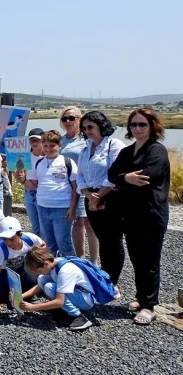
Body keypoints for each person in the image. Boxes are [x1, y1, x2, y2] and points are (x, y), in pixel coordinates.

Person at [108, 107, 170, 325]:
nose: (137, 129)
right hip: (130, 214)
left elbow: (147, 177)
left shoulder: (157, 151)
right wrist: (126, 178)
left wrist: (123, 179)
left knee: (149, 261)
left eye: (142, 124)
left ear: (152, 126)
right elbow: (112, 174)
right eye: (133, 125)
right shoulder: (128, 151)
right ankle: (141, 297)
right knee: (136, 258)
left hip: (152, 214)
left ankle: (149, 306)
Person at [77, 111, 125, 288]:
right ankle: (105, 277)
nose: (87, 131)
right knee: (102, 239)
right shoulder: (86, 148)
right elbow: (79, 174)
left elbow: (115, 172)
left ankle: (113, 281)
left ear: (101, 125)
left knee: (113, 240)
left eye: (91, 127)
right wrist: (89, 196)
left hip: (110, 196)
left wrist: (99, 196)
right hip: (90, 198)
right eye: (84, 128)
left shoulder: (114, 144)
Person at [27, 130, 78, 257]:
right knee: (48, 243)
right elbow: (32, 185)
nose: (48, 149)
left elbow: (75, 187)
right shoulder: (39, 163)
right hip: (42, 207)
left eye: (52, 146)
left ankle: (72, 269)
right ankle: (51, 271)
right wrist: (21, 179)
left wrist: (72, 208)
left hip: (62, 207)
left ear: (59, 145)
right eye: (45, 146)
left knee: (63, 242)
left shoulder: (68, 162)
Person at [20, 246, 96, 331]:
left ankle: (78, 316)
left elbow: (59, 302)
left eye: (39, 271)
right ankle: (61, 309)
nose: (38, 273)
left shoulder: (64, 271)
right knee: (42, 279)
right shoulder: (55, 263)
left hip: (86, 299)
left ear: (46, 263)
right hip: (78, 292)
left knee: (50, 287)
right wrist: (21, 296)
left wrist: (33, 307)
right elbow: (39, 286)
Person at [59, 107, 98, 265]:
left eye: (72, 118)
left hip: (85, 185)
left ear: (79, 120)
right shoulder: (61, 140)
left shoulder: (86, 140)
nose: (68, 121)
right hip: (67, 187)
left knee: (88, 222)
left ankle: (94, 261)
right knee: (75, 222)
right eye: (65, 119)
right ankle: (80, 258)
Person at [0, 216, 45, 314]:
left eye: (12, 239)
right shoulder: (1, 249)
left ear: (20, 235)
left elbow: (43, 245)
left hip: (26, 269)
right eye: (5, 239)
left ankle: (28, 295)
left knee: (33, 280)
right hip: (7, 273)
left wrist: (35, 258)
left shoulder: (30, 239)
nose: (8, 243)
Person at [12, 128, 45, 236]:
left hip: (43, 193)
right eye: (32, 141)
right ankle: (39, 250)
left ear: (43, 140)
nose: (34, 143)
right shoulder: (25, 156)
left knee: (45, 227)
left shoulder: (48, 156)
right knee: (35, 227)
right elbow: (19, 178)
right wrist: (12, 169)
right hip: (29, 193)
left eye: (37, 140)